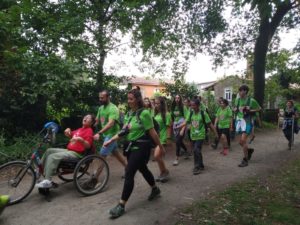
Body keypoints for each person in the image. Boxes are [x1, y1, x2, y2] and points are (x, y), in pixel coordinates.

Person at [104, 89, 164, 219]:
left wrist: (160, 146)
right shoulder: (129, 114)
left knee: (129, 172)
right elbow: (124, 131)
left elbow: (153, 132)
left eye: (131, 99)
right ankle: (155, 189)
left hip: (142, 147)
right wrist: (111, 140)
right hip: (131, 147)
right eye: (128, 98)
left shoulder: (145, 113)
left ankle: (121, 205)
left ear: (137, 99)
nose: (129, 101)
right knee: (143, 168)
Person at [36, 114, 95, 188]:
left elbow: (88, 145)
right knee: (49, 151)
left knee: (52, 157)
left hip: (77, 153)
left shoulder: (89, 131)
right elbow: (70, 134)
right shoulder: (80, 129)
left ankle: (48, 181)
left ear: (91, 122)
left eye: (88, 118)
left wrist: (81, 140)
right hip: (69, 150)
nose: (85, 118)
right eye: (85, 117)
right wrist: (67, 131)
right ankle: (38, 171)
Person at [178, 98, 218, 175]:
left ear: (198, 105)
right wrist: (180, 126)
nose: (192, 107)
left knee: (196, 149)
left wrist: (216, 133)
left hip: (200, 135)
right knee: (196, 150)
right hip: (193, 135)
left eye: (194, 105)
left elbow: (210, 124)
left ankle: (197, 166)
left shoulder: (203, 113)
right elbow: (186, 121)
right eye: (191, 105)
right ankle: (201, 165)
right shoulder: (191, 113)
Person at [94, 90, 127, 170]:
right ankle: (129, 168)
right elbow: (97, 121)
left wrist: (99, 133)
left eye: (102, 98)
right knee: (116, 153)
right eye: (100, 98)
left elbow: (110, 123)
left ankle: (95, 179)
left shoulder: (113, 108)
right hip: (106, 135)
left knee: (102, 155)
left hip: (112, 135)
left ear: (108, 97)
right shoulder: (101, 108)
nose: (100, 99)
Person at [234, 85, 261, 167]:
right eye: (239, 91)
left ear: (245, 91)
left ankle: (245, 160)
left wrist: (250, 110)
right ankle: (248, 151)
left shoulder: (251, 100)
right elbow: (235, 109)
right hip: (239, 121)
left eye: (241, 90)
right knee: (240, 142)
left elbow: (259, 108)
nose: (240, 92)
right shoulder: (237, 100)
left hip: (247, 122)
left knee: (243, 140)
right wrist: (235, 110)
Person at [153, 96, 171, 182]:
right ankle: (162, 172)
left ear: (162, 104)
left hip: (163, 138)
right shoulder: (156, 114)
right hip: (157, 138)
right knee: (158, 157)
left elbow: (168, 127)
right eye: (155, 103)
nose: (156, 105)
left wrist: (168, 138)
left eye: (158, 103)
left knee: (156, 156)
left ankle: (165, 171)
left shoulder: (167, 114)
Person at [171, 94, 189, 166]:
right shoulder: (173, 107)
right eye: (176, 98)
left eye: (178, 98)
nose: (177, 99)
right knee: (179, 141)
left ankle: (176, 158)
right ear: (174, 99)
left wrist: (183, 129)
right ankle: (186, 151)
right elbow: (173, 117)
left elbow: (186, 119)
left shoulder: (183, 107)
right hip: (175, 125)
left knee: (178, 141)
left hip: (182, 125)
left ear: (180, 99)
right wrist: (173, 125)